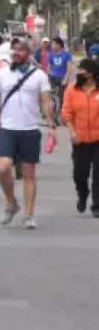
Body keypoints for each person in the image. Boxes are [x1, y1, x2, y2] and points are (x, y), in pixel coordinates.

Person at [0, 40, 56, 229]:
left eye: (20, 50)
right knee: (3, 167)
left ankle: (29, 215)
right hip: (7, 128)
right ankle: (11, 202)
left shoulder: (39, 75)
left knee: (28, 173)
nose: (15, 53)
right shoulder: (2, 74)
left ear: (29, 54)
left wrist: (51, 125)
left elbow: (46, 100)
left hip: (30, 129)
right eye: (14, 50)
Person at [62, 58, 99, 217]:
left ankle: (97, 205)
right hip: (80, 139)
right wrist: (72, 132)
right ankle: (82, 195)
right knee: (80, 174)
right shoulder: (72, 89)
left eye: (82, 71)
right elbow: (67, 114)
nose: (78, 73)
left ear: (91, 74)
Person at [48, 37, 73, 110]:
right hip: (53, 77)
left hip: (62, 77)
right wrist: (49, 73)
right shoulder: (51, 54)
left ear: (58, 45)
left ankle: (63, 112)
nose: (52, 46)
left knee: (62, 96)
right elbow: (49, 65)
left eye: (53, 44)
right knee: (51, 95)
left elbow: (69, 68)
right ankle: (51, 110)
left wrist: (66, 78)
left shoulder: (66, 54)